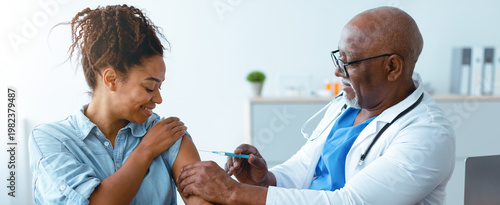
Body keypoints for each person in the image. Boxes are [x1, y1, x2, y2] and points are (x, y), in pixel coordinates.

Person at [176, 6, 455, 205]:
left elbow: (351, 202)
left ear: (392, 67)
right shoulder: (347, 105)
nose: (338, 72)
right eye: (338, 58)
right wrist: (266, 180)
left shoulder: (427, 133)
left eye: (350, 62)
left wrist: (232, 193)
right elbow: (303, 169)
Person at [28, 5, 209, 205]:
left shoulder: (167, 134)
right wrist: (146, 151)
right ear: (111, 79)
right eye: (149, 87)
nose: (158, 99)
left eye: (160, 87)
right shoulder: (53, 140)